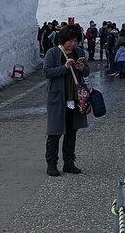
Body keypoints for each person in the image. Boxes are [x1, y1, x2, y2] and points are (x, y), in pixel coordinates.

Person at [43, 25, 90, 176]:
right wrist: (64, 67)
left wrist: (82, 68)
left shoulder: (79, 52)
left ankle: (69, 163)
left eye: (75, 41)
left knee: (71, 132)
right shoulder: (53, 53)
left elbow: (87, 72)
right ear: (63, 40)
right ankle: (51, 164)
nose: (73, 44)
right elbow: (47, 72)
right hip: (58, 99)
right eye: (70, 40)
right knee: (55, 133)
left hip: (75, 99)